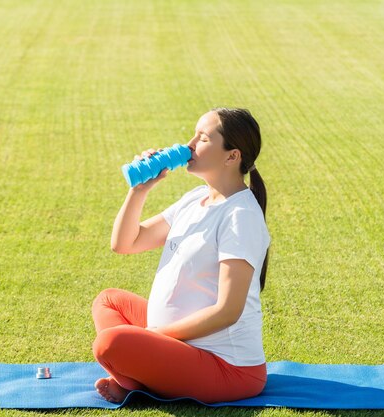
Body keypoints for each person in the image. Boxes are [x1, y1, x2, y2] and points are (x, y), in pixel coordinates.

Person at [91, 107, 271, 404]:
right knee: (108, 300)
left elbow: (228, 310)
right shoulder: (194, 200)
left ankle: (136, 375)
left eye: (202, 138)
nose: (189, 145)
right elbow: (125, 243)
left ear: (232, 156)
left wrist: (156, 337)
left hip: (226, 367)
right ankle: (139, 375)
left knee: (110, 343)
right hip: (178, 344)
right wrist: (139, 189)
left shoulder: (240, 216)